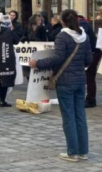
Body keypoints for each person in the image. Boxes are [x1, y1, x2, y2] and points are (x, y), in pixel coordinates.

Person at [30, 9, 93, 162]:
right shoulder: (84, 36)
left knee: (68, 117)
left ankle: (72, 152)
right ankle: (83, 151)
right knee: (80, 116)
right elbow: (89, 59)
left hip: (65, 81)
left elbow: (57, 58)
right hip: (80, 80)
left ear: (63, 21)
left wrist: (38, 63)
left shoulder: (62, 36)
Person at [78, 15, 99, 108]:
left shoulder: (82, 25)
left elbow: (83, 39)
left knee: (90, 76)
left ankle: (91, 99)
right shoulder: (84, 24)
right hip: (93, 52)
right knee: (89, 76)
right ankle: (90, 98)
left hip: (92, 53)